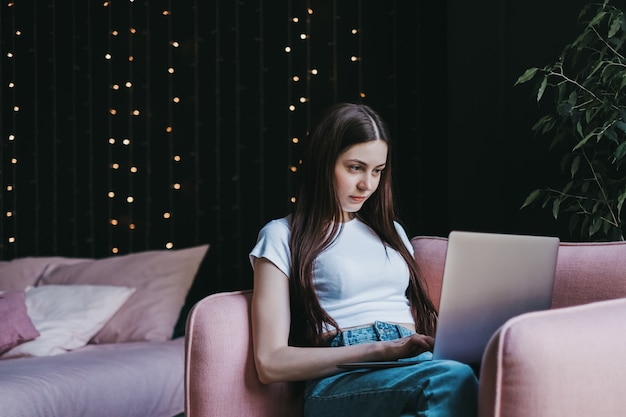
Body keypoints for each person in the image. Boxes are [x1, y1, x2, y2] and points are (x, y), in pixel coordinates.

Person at [249, 102, 478, 417]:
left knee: (483, 378)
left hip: (414, 365)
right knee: (452, 380)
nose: (367, 185)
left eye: (377, 171)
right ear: (322, 162)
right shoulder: (280, 235)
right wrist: (383, 348)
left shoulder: (391, 232)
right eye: (355, 167)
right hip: (340, 380)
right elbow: (270, 362)